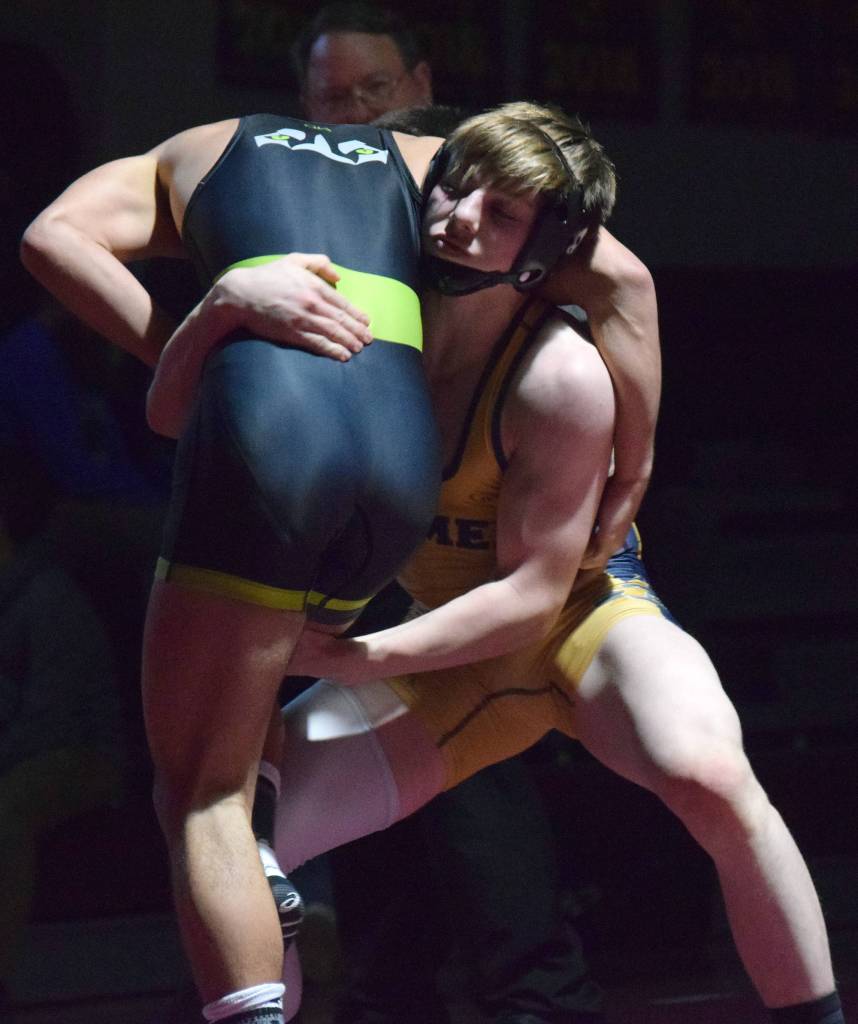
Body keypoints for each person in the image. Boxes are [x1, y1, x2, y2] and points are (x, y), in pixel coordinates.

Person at [206, 104, 844, 1024]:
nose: (460, 219)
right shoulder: (357, 314)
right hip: (450, 654)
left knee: (708, 773)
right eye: (455, 190)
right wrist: (224, 301)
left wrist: (353, 657)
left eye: (499, 213)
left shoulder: (560, 376)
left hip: (582, 621)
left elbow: (531, 599)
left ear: (545, 249)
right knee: (234, 845)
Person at [21, 111, 446, 1024]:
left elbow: (49, 236)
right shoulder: (426, 157)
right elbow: (609, 266)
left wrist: (208, 328)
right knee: (249, 687)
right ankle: (261, 849)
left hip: (271, 428)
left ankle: (244, 848)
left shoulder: (200, 147)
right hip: (406, 462)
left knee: (198, 793)